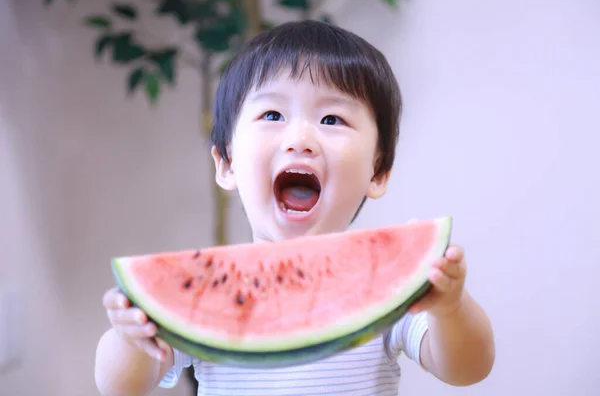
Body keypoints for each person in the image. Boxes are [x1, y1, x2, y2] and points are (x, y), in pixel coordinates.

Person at [95, 20, 495, 396]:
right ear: (227, 164)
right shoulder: (205, 298)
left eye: (332, 118)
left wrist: (451, 309)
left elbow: (468, 369)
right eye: (272, 114)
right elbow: (120, 387)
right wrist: (129, 340)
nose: (300, 138)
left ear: (378, 170)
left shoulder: (391, 288)